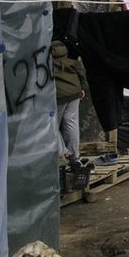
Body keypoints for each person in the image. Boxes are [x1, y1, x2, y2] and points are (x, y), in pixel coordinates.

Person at [51, 30, 87, 171]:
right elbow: (82, 75)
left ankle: (62, 153)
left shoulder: (48, 63)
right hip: (75, 93)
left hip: (58, 96)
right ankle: (74, 155)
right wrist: (82, 89)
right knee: (71, 122)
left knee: (52, 125)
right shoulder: (72, 61)